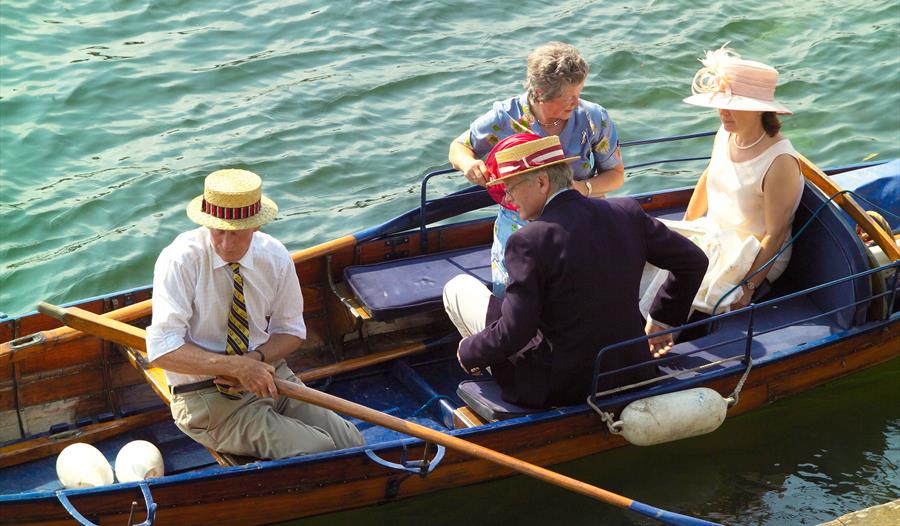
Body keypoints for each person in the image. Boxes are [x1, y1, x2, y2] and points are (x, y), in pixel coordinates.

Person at [442, 135, 708, 408]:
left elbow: (516, 331)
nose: (507, 199)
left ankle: (487, 378)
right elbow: (693, 261)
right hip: (632, 369)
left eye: (509, 188)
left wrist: (468, 352)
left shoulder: (528, 240)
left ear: (542, 182)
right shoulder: (625, 211)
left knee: (457, 288)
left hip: (564, 388)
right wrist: (663, 320)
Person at [146, 169, 364, 460]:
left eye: (235, 234)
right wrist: (234, 367)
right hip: (206, 396)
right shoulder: (180, 260)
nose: (225, 244)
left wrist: (254, 361)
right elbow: (161, 351)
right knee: (320, 451)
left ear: (256, 227)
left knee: (351, 440)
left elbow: (291, 330)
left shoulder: (274, 257)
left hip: (269, 374)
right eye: (218, 231)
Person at [448, 41, 625, 296]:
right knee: (517, 299)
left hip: (582, 217)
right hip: (521, 224)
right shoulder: (504, 118)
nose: (577, 103)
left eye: (579, 93)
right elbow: (458, 147)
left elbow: (616, 176)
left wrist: (581, 188)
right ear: (540, 93)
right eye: (569, 98)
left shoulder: (593, 118)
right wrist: (469, 164)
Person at [643, 45, 804, 316]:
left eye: (731, 106)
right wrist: (685, 231)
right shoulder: (726, 133)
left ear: (758, 110)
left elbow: (775, 235)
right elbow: (709, 176)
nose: (722, 112)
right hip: (713, 234)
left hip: (748, 254)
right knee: (639, 256)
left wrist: (748, 286)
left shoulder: (780, 162)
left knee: (679, 295)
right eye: (720, 105)